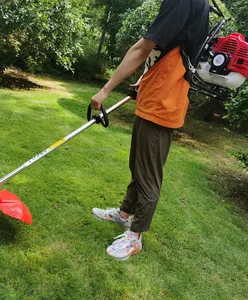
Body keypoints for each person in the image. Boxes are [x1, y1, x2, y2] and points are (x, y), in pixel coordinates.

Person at [91, 0, 210, 261]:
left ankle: (135, 236)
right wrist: (145, 79)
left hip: (162, 104)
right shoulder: (196, 4)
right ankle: (123, 214)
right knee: (139, 166)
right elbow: (172, 51)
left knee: (148, 176)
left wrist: (106, 89)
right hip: (156, 96)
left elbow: (141, 49)